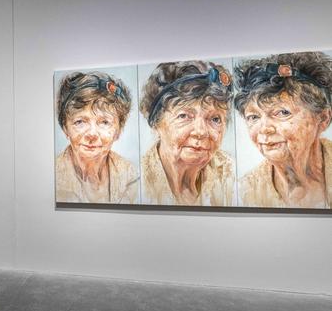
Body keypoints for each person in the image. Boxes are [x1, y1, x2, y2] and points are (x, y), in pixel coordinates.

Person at [235, 52, 332, 208]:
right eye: (253, 117)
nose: (264, 129)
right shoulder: (245, 191)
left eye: (282, 112)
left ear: (323, 119)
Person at [139, 61, 235, 206]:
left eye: (215, 119)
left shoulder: (231, 172)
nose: (201, 131)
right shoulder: (133, 181)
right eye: (184, 116)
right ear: (156, 123)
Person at [55, 71, 139, 203]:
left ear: (119, 130)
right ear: (66, 128)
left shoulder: (130, 175)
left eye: (104, 122)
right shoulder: (53, 176)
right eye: (80, 122)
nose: (92, 134)